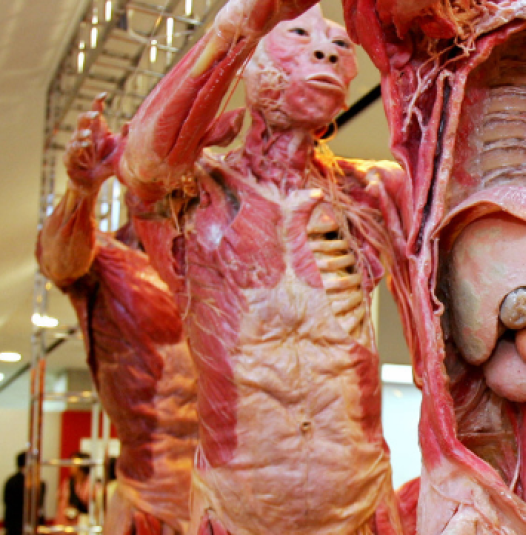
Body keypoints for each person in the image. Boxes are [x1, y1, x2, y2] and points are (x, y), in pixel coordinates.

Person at [113, 0, 403, 532]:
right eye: (298, 36)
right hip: (237, 508)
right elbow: (142, 166)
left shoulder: (367, 192)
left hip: (360, 501)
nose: (324, 52)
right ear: (252, 64)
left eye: (339, 45)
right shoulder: (199, 191)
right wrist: (237, 27)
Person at [36, 95, 198, 535]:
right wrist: (81, 190)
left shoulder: (215, 263)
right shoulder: (108, 258)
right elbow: (59, 262)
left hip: (230, 497)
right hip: (152, 501)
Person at [4, 452, 46, 535]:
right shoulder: (13, 482)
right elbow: (11, 506)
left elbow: (40, 507)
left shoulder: (40, 483)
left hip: (34, 525)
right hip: (17, 527)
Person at [54, 452, 93, 526]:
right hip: (63, 524)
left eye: (73, 464)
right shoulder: (67, 483)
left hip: (80, 525)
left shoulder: (91, 485)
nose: (70, 466)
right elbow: (59, 500)